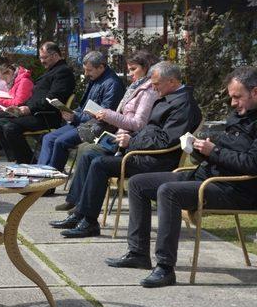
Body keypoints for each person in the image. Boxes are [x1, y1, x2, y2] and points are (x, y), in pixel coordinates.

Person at [106, 66, 257, 288]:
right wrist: (196, 149)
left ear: (255, 92)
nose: (233, 103)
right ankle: (138, 253)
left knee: (169, 192)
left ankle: (166, 268)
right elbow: (223, 152)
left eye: (237, 97)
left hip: (234, 189)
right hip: (206, 176)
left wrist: (213, 151)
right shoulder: (239, 115)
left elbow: (252, 164)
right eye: (231, 97)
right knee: (138, 184)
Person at [50, 61, 202, 238]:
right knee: (90, 155)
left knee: (100, 163)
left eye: (156, 84)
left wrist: (131, 142)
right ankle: (80, 215)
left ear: (173, 82)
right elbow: (151, 131)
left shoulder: (183, 105)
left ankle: (89, 222)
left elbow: (165, 140)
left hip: (155, 160)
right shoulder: (170, 97)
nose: (153, 88)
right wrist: (128, 140)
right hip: (141, 151)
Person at [53, 50, 159, 211]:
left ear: (146, 67)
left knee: (88, 151)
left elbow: (138, 123)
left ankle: (82, 204)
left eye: (133, 69)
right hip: (119, 134)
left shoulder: (148, 91)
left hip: (129, 140)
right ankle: (76, 200)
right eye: (129, 69)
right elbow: (123, 114)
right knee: (84, 148)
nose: (130, 74)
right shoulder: (137, 86)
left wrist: (108, 115)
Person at [37, 50, 125, 176]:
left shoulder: (113, 84)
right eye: (85, 70)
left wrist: (76, 116)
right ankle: (41, 176)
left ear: (101, 67)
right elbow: (84, 106)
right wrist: (72, 112)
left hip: (97, 127)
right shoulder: (96, 79)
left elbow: (104, 114)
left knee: (60, 142)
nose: (86, 73)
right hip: (83, 122)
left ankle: (49, 182)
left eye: (89, 70)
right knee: (48, 138)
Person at [0, 41, 75, 164]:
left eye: (44, 57)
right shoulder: (51, 70)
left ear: (54, 55)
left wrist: (29, 109)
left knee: (10, 127)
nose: (42, 61)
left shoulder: (63, 72)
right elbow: (36, 97)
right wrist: (19, 107)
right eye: (41, 57)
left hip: (47, 115)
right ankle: (15, 160)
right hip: (36, 112)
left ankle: (28, 163)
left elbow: (53, 99)